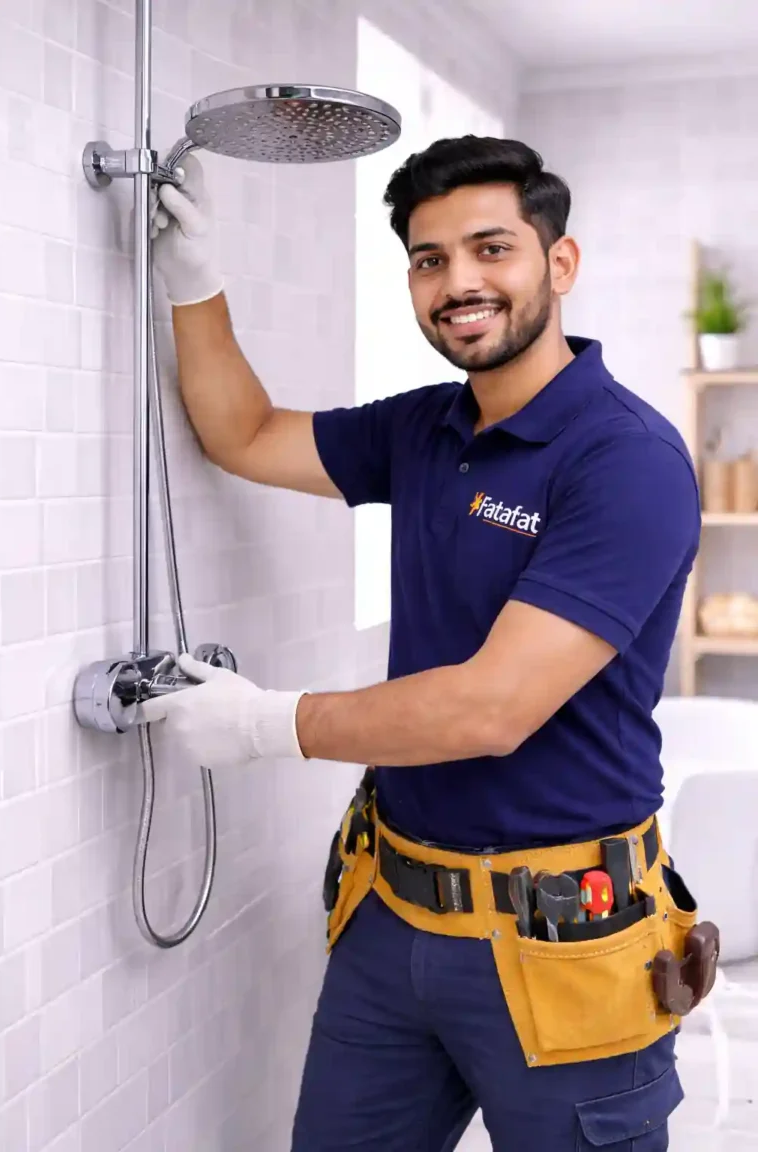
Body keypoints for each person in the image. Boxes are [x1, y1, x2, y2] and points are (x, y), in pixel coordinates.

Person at [142, 136, 703, 1150]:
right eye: (429, 258)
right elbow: (245, 432)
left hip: (563, 942)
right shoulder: (428, 430)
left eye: (492, 248)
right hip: (391, 916)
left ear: (558, 263)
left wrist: (272, 725)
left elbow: (493, 708)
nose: (459, 282)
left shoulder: (628, 461)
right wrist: (197, 277)